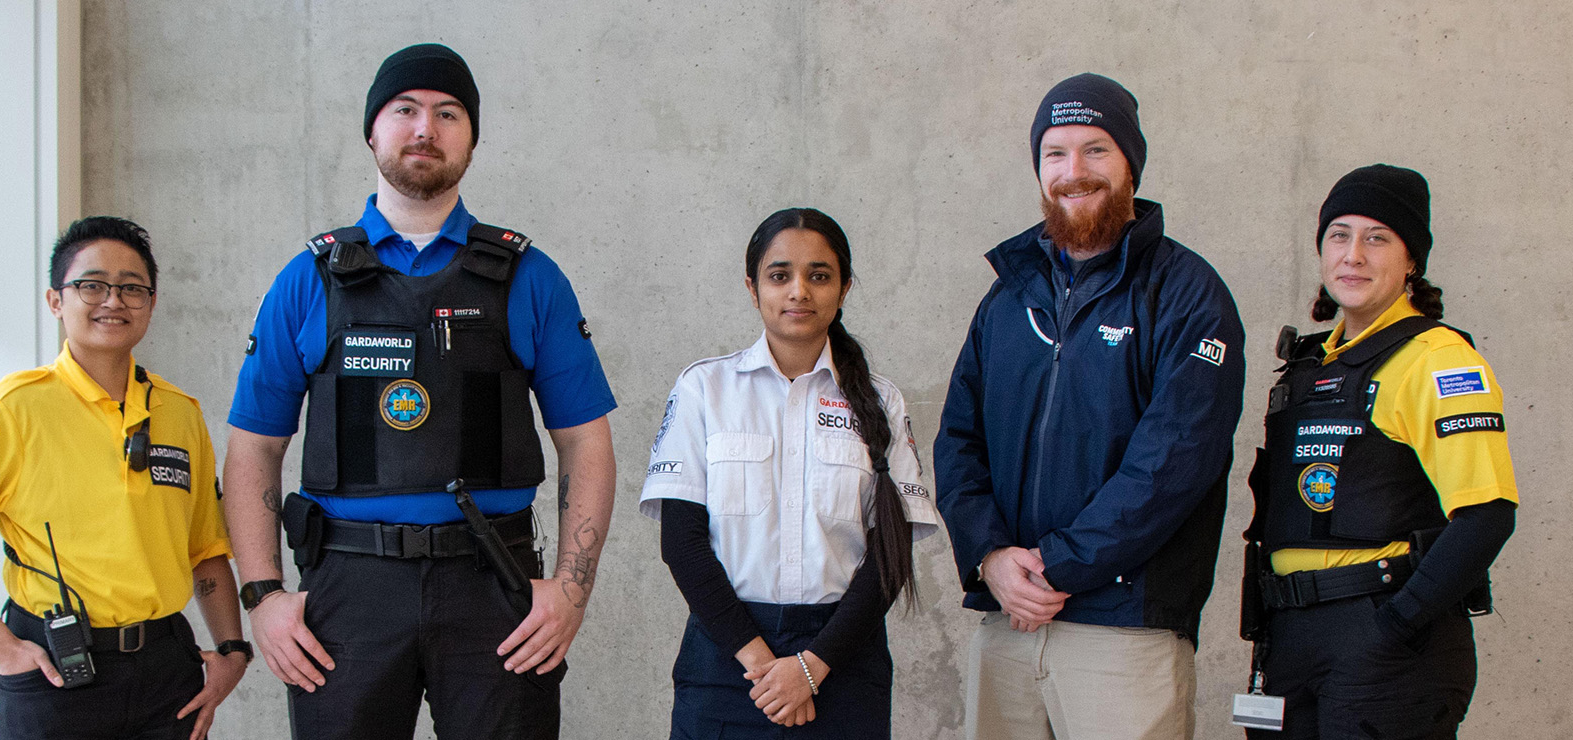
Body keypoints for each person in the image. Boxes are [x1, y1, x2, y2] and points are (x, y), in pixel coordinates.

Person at [220, 43, 619, 740]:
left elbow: (588, 444)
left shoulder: (529, 277)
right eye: (404, 111)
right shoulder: (306, 280)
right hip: (348, 592)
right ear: (373, 130)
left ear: (472, 138)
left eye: (447, 113)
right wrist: (264, 596)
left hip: (494, 589)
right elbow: (254, 448)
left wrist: (571, 591)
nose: (424, 129)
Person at [932, 72, 1247, 740]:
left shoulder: (1189, 295)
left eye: (1096, 149)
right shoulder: (1007, 300)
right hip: (1008, 624)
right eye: (1056, 153)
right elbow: (959, 443)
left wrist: (1053, 567)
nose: (1074, 171)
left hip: (1123, 630)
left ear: (1131, 161)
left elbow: (1173, 464)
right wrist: (990, 558)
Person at [0, 217, 250, 740]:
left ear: (151, 304)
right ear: (56, 300)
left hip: (166, 670)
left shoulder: (180, 413)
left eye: (132, 288)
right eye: (92, 285)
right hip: (55, 668)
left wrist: (232, 650)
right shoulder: (8, 410)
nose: (113, 300)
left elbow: (205, 549)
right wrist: (1, 646)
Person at [1240, 164, 1517, 739]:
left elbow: (1488, 514)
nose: (1354, 255)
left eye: (1378, 238)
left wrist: (1395, 626)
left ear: (1411, 259)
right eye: (1339, 235)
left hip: (1384, 642)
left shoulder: (1439, 361)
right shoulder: (1310, 367)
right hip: (1290, 639)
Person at [643, 208, 942, 739]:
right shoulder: (704, 390)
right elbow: (682, 545)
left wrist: (811, 667)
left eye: (819, 275)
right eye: (779, 275)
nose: (798, 291)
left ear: (844, 288)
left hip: (843, 659)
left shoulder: (881, 401)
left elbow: (890, 556)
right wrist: (765, 667)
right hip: (728, 659)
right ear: (752, 287)